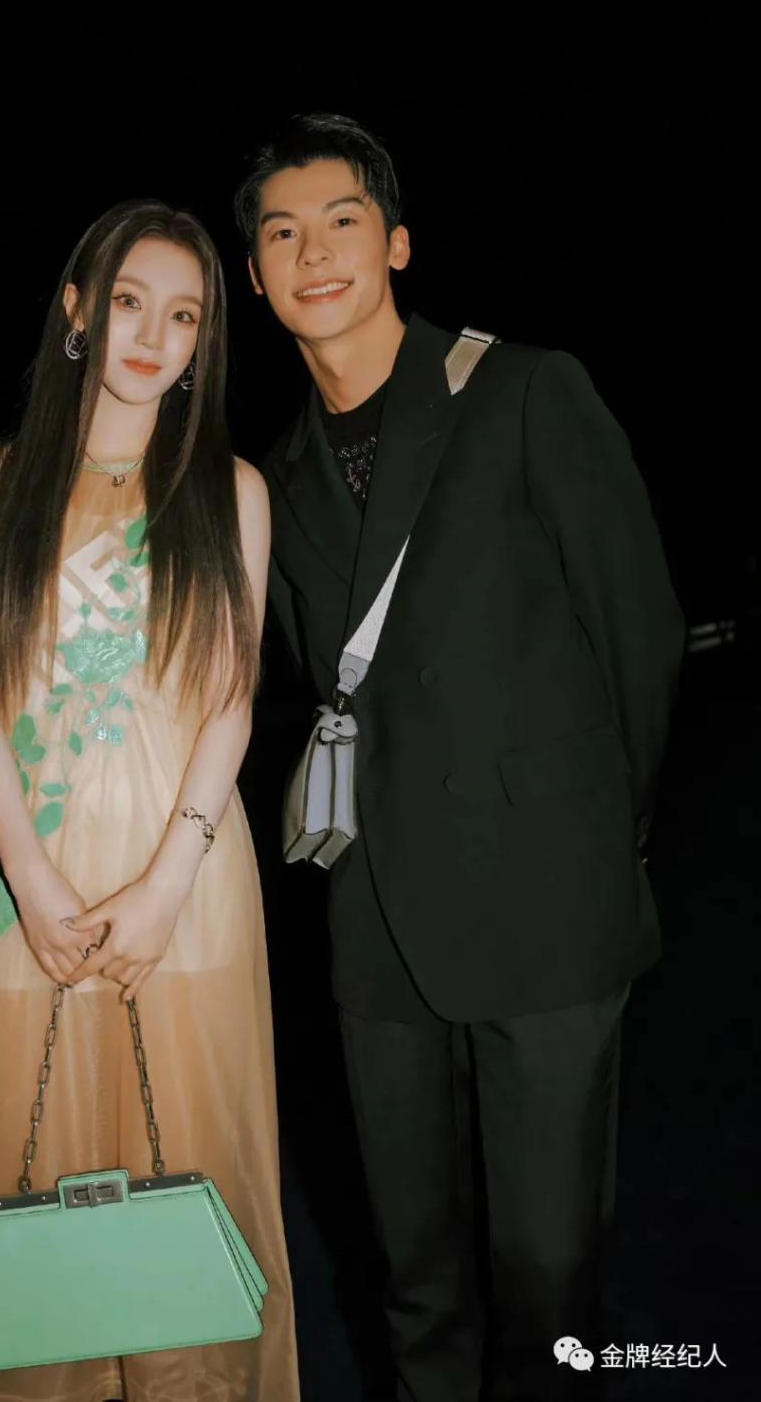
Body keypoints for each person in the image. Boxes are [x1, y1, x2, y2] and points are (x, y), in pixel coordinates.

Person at [236, 114, 685, 1401]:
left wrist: (597, 832)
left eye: (341, 221)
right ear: (254, 277)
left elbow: (639, 637)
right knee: (415, 1279)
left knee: (546, 1280)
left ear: (396, 243)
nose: (313, 252)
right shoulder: (275, 476)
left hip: (544, 899)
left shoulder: (526, 391)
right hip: (376, 923)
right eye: (280, 233)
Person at [0, 200, 299, 1402]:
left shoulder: (231, 491)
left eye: (183, 316)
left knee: (197, 1176)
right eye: (128, 302)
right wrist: (31, 877)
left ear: (204, 343)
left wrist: (167, 884)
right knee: (14, 1184)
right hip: (28, 877)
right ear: (77, 310)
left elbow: (231, 704)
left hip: (187, 881)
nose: (152, 336)